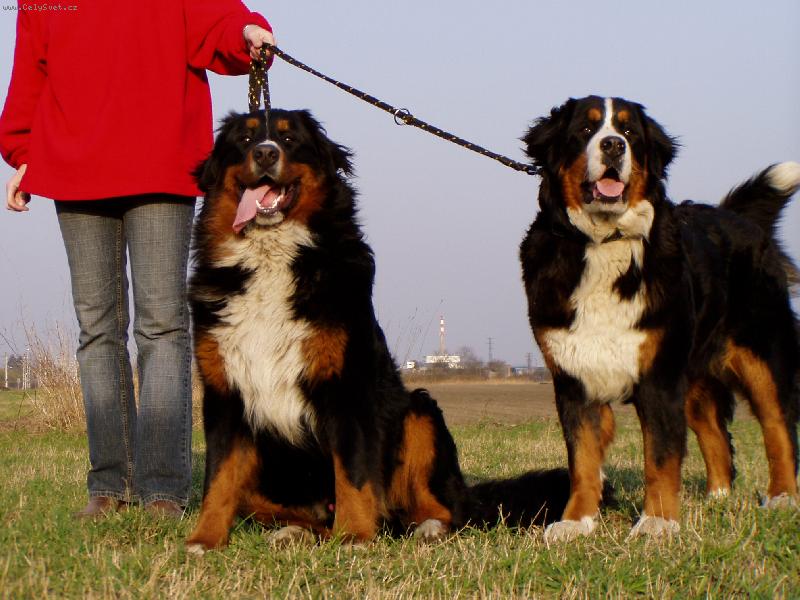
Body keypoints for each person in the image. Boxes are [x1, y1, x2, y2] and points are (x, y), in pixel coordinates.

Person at [0, 1, 274, 519]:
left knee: (161, 325)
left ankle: (163, 491)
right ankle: (109, 486)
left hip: (160, 160)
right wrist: (23, 152)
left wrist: (246, 32)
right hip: (72, 164)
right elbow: (31, 65)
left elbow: (219, 22)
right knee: (98, 329)